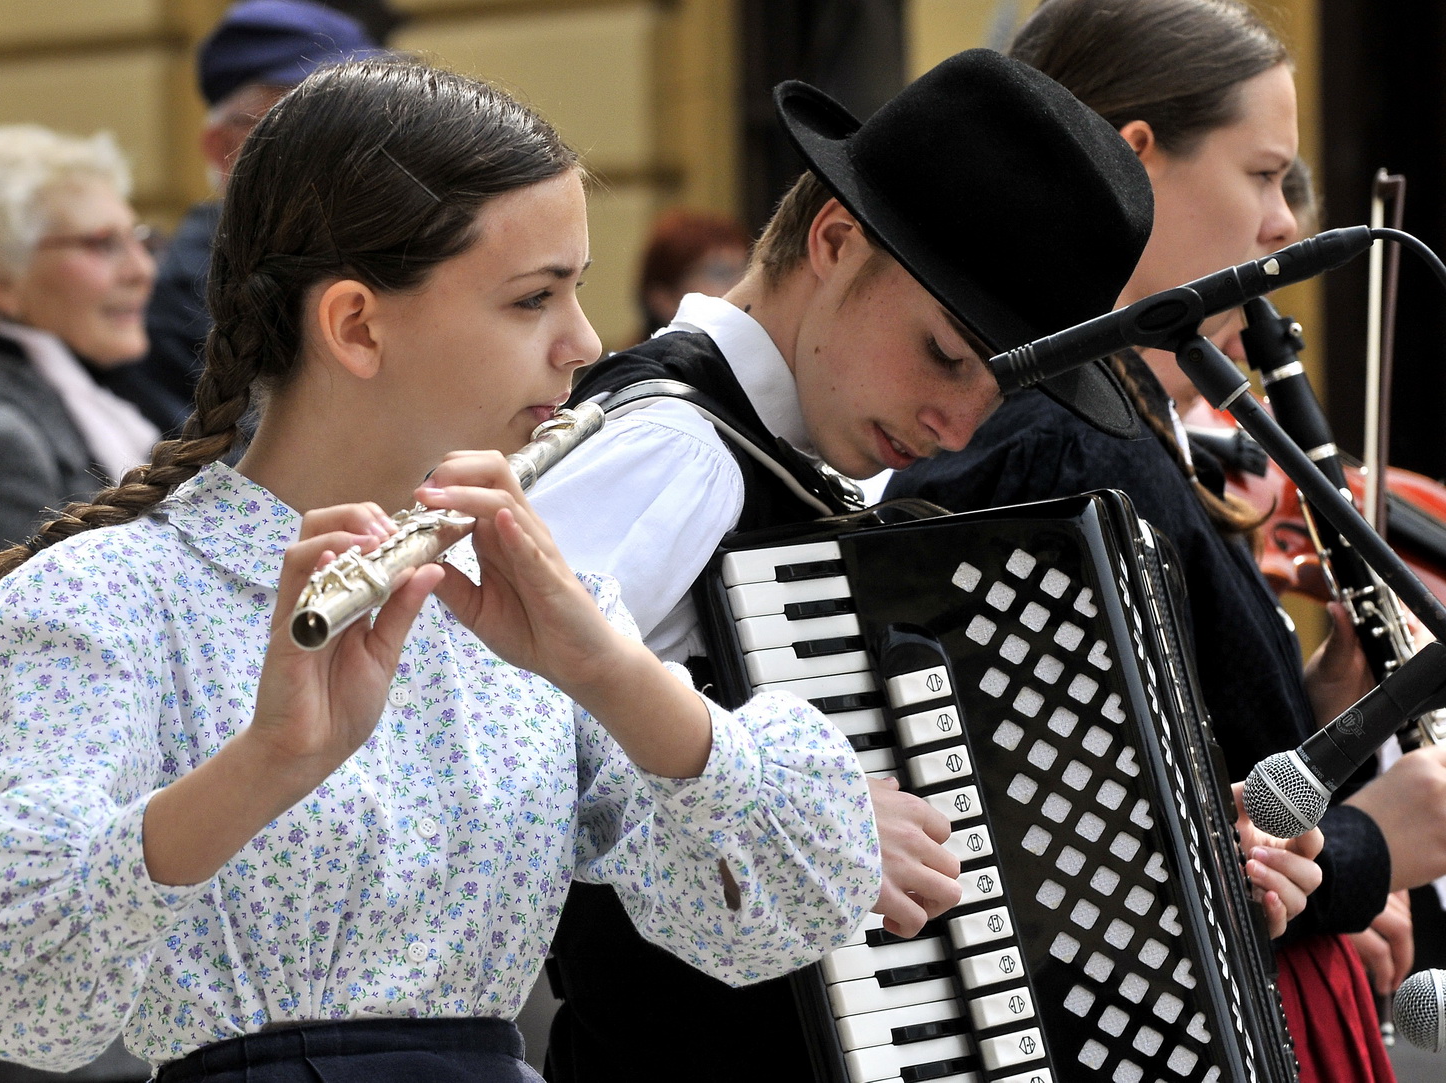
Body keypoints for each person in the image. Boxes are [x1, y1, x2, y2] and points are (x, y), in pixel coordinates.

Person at [0, 60, 914, 1082]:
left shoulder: (521, 598)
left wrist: (615, 672)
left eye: (578, 290)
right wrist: (265, 766)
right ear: (356, 326)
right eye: (530, 299)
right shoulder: (108, 597)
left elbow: (787, 914)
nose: (584, 344)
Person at [529, 47, 1317, 1083]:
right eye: (945, 355)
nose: (954, 427)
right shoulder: (680, 449)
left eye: (994, 394)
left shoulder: (803, 465)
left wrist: (1166, 855)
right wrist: (799, 804)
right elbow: (473, 736)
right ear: (834, 238)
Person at [889, 2, 1446, 1080]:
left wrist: (1324, 714)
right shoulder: (1062, 440)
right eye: (1264, 174)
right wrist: (1364, 842)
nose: (1287, 221)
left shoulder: (1110, 407)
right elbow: (1081, 854)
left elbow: (1192, 753)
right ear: (1132, 158)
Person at [0, 123, 161, 1081]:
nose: (138, 267)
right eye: (99, 244)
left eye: (138, 237)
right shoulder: (0, 438)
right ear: (0, 282)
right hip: (52, 960)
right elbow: (2, 704)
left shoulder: (87, 412)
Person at [99, 0, 386, 436]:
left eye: (363, 117)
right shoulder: (182, 300)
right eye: (312, 121)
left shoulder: (370, 253)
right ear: (223, 148)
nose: (354, 145)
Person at [636, 207, 748, 340]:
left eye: (747, 272)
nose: (741, 285)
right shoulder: (629, 360)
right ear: (663, 298)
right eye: (720, 273)